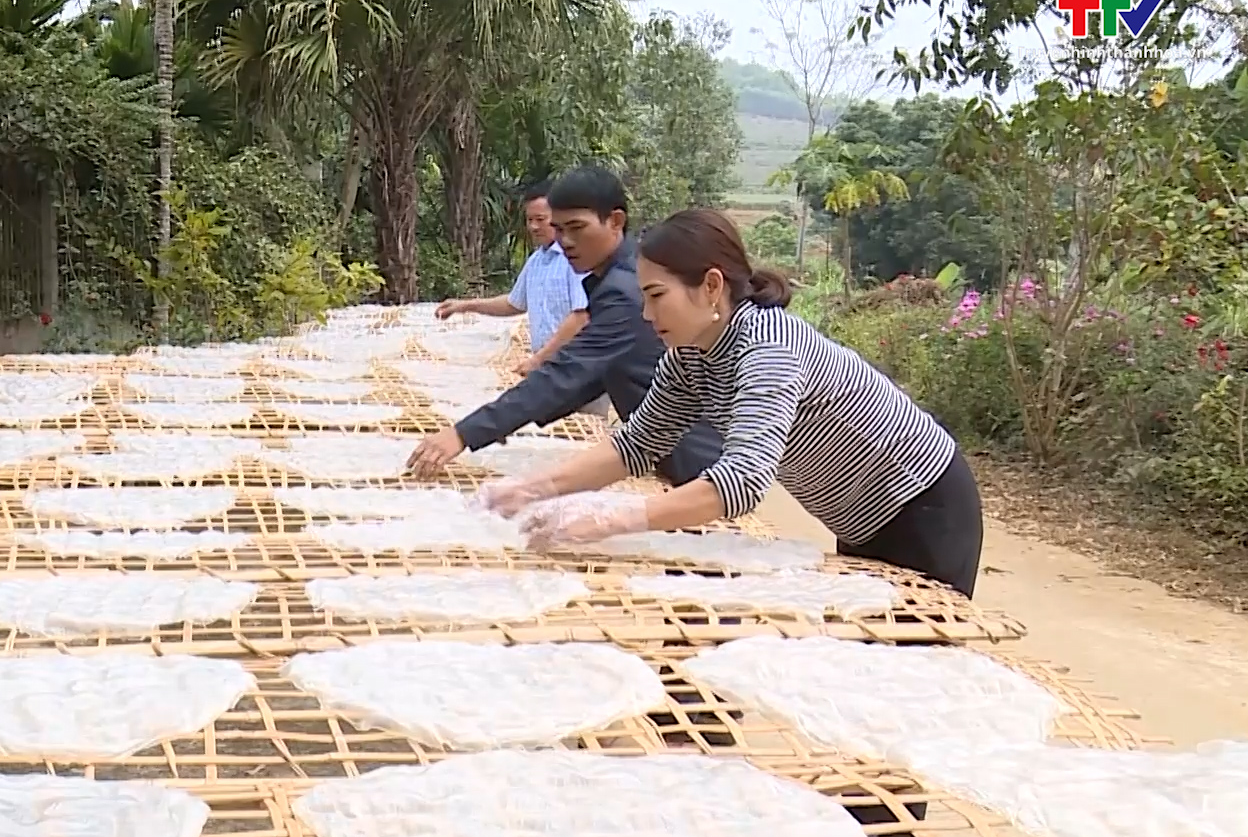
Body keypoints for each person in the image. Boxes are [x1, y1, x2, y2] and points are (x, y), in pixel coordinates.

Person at [477, 206, 984, 598]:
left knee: (917, 660)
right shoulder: (691, 352)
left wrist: (613, 519)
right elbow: (638, 443)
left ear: (712, 286)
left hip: (923, 505)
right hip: (855, 515)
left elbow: (741, 483)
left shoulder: (768, 347)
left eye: (657, 295)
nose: (647, 313)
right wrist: (531, 489)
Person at [406, 166, 719, 480]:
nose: (565, 240)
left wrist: (464, 433)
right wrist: (506, 422)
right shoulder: (615, 277)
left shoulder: (626, 289)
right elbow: (582, 380)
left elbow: (566, 375)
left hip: (696, 456)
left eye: (577, 227)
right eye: (559, 228)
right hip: (675, 446)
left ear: (615, 221)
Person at [433, 182, 596, 396]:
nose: (534, 227)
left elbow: (580, 317)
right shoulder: (537, 260)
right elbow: (514, 303)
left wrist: (538, 359)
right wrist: (465, 305)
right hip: (550, 370)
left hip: (579, 368)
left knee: (584, 426)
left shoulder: (576, 258)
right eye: (530, 220)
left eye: (541, 219)